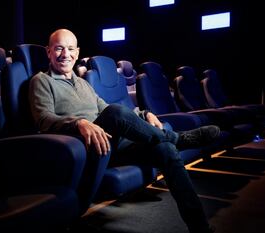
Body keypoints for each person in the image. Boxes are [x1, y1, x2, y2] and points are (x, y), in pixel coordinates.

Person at [29, 28, 218, 233]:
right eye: (58, 48)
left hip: (113, 144)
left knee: (167, 151)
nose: (65, 54)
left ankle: (200, 227)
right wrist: (79, 123)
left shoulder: (84, 84)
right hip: (84, 146)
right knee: (116, 113)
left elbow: (106, 110)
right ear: (49, 52)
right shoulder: (41, 81)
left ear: (77, 52)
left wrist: (144, 114)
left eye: (70, 49)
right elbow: (43, 119)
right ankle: (177, 138)